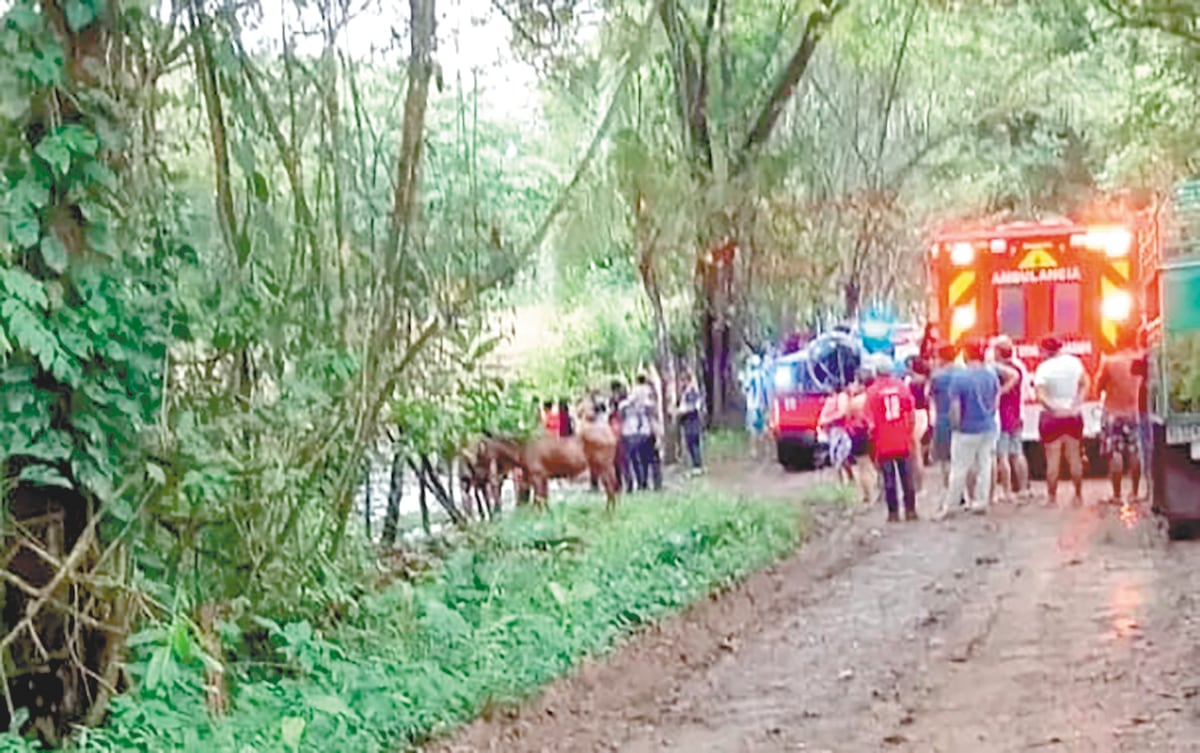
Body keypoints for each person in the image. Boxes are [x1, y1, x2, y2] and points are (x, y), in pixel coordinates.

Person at [938, 338, 1009, 519]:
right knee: (984, 465)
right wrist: (990, 415)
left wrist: (956, 426)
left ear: (966, 355)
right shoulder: (991, 375)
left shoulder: (960, 378)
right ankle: (981, 502)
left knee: (959, 468)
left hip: (966, 429)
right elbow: (996, 399)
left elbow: (956, 407)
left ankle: (951, 506)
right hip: (988, 426)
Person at [1033, 336, 1089, 507]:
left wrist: (1054, 409)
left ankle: (1052, 499)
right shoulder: (1074, 363)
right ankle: (1078, 496)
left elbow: (1040, 395)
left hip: (1052, 418)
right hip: (1073, 416)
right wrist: (1076, 404)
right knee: (1074, 457)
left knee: (1052, 459)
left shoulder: (1043, 368)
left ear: (1045, 350)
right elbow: (1085, 383)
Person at [1095, 328, 1144, 503]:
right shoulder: (1140, 359)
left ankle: (1116, 495)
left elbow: (1097, 387)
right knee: (1135, 451)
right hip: (1134, 411)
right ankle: (1135, 493)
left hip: (1113, 412)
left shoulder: (1110, 362)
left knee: (1115, 452)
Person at [866, 365, 918, 522]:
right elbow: (911, 412)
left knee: (889, 478)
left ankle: (893, 513)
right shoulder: (902, 387)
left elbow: (869, 422)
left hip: (883, 441)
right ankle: (911, 511)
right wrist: (909, 432)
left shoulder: (872, 392)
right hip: (902, 438)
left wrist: (871, 443)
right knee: (907, 476)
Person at [992, 337, 1032, 503]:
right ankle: (1023, 489)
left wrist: (998, 393)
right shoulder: (1019, 367)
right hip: (1017, 414)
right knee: (1017, 453)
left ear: (999, 352)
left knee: (1002, 456)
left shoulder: (1001, 370)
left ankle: (1007, 491)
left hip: (1002, 416)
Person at [928, 344, 961, 495]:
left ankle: (950, 491)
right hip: (962, 419)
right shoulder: (963, 373)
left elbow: (929, 396)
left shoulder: (937, 377)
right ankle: (962, 492)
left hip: (943, 419)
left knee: (945, 460)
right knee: (961, 459)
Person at [619, 380, 653, 491]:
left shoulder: (646, 404)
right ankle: (636, 483)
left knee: (642, 459)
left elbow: (651, 413)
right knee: (634, 459)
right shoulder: (625, 405)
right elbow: (621, 415)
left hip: (641, 432)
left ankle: (642, 482)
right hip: (631, 433)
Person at [906, 356, 932, 493]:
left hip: (915, 414)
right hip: (924, 414)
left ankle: (918, 486)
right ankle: (919, 486)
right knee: (919, 452)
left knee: (915, 454)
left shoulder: (910, 382)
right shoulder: (927, 381)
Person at [635, 373, 664, 491]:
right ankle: (657, 483)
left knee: (643, 458)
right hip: (652, 428)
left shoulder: (636, 392)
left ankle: (644, 482)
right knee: (653, 458)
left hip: (642, 429)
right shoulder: (651, 392)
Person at [675, 371, 705, 472]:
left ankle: (697, 465)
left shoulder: (691, 392)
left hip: (692, 420)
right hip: (687, 421)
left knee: (693, 442)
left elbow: (693, 407)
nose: (681, 383)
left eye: (682, 381)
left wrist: (681, 411)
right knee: (690, 443)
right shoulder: (686, 392)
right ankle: (695, 464)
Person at [609, 381, 630, 491]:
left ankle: (620, 483)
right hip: (624, 430)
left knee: (618, 459)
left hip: (616, 430)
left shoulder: (615, 402)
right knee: (623, 459)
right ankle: (625, 482)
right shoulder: (626, 400)